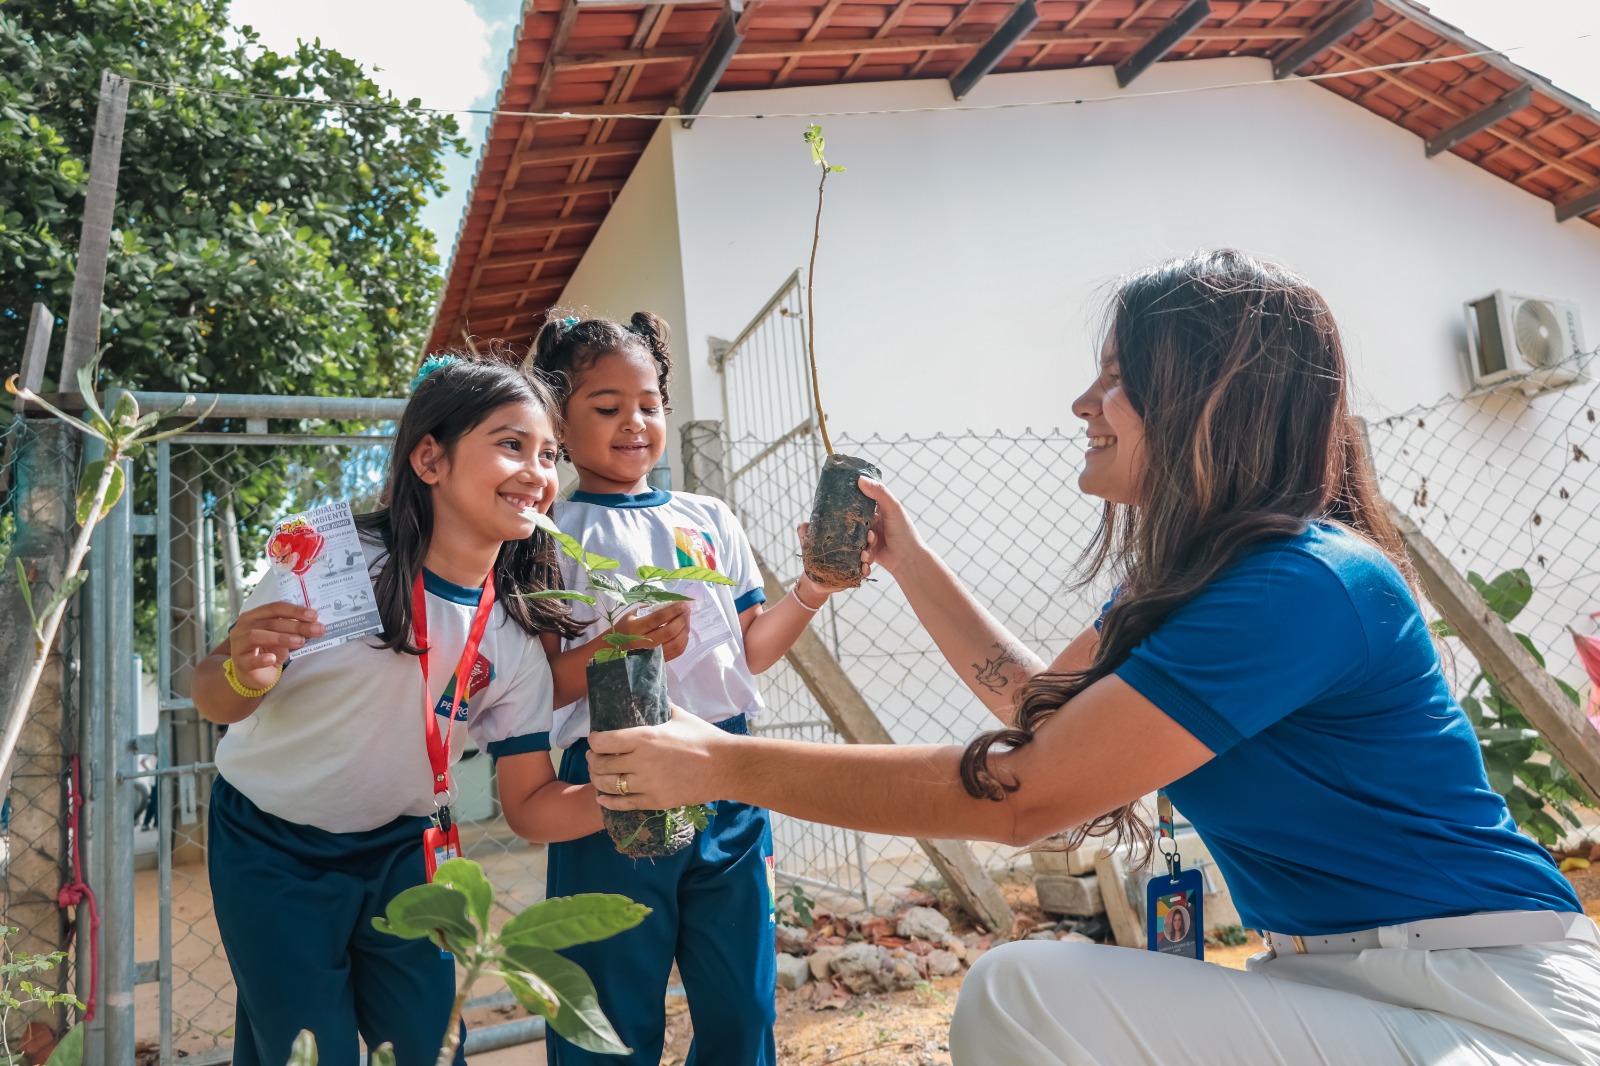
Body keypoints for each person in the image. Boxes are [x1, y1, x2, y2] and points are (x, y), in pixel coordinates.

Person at [584, 251, 1600, 1065]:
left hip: (1485, 999)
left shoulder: (1306, 583)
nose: (1083, 402)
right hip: (1329, 982)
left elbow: (1025, 794)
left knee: (1022, 990)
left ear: (1213, 397)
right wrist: (909, 561)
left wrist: (718, 763)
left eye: (1117, 378)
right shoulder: (1192, 587)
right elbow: (1039, 705)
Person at [190, 357, 600, 1066]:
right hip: (270, 849)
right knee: (306, 1051)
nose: (538, 473)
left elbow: (531, 806)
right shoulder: (333, 559)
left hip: (406, 852)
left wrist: (633, 796)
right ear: (429, 458)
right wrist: (243, 675)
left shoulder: (513, 635)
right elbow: (210, 693)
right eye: (511, 444)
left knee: (430, 1047)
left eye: (548, 455)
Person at [530, 311, 850, 1066]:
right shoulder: (546, 533)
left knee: (743, 1004)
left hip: (729, 771)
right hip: (612, 779)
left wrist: (813, 587)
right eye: (607, 407)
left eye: (649, 405)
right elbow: (540, 686)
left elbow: (750, 651)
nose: (634, 423)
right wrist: (621, 648)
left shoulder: (708, 518)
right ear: (560, 424)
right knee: (606, 1012)